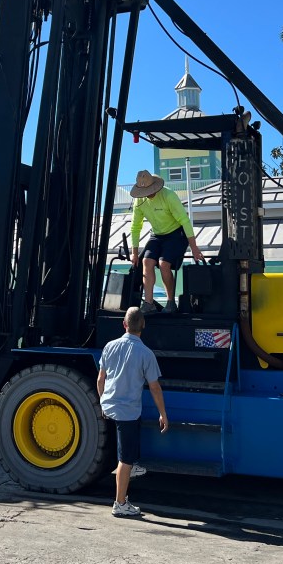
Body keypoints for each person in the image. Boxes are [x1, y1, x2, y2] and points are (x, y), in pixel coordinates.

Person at [97, 306, 169, 518]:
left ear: (124, 325)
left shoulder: (109, 346)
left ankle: (129, 465)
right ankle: (120, 503)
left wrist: (102, 401)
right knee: (125, 459)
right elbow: (154, 387)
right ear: (143, 326)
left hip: (110, 405)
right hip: (127, 410)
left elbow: (101, 378)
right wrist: (163, 413)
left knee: (126, 441)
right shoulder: (146, 354)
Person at [129, 169, 203, 314]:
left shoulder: (168, 195)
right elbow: (135, 226)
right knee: (146, 262)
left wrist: (194, 247)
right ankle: (148, 303)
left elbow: (185, 221)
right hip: (157, 235)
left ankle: (170, 303)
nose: (148, 194)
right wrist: (134, 253)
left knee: (164, 264)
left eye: (150, 190)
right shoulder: (139, 200)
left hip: (176, 234)